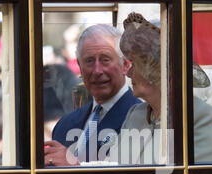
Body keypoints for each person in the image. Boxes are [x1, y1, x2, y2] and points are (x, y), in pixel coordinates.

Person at [108, 12, 212, 165]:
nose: (129, 73)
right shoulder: (134, 114)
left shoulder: (198, 115)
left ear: (156, 68)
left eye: (135, 64)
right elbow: (112, 167)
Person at [44, 24, 141, 166]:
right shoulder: (64, 125)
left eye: (105, 60)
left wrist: (75, 166)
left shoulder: (142, 121)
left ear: (125, 64)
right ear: (79, 67)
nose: (97, 70)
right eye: (89, 61)